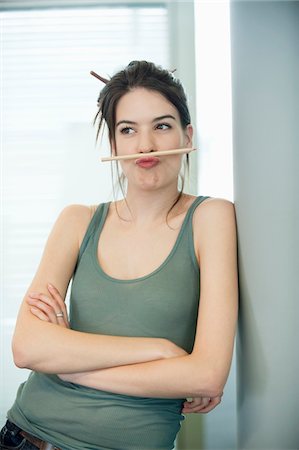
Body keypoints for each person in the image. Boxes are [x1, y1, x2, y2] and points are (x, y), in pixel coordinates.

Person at [0, 60, 238, 450]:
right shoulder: (77, 221)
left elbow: (206, 376)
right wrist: (160, 352)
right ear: (113, 145)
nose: (145, 145)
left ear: (187, 135)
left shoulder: (211, 219)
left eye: (162, 126)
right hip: (25, 437)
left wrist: (69, 364)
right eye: (128, 130)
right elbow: (27, 348)